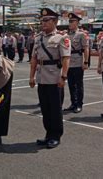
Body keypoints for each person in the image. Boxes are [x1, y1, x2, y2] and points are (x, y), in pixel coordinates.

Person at [29, 8, 71, 149]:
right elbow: (34, 59)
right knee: (45, 109)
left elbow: (65, 59)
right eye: (42, 21)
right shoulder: (38, 38)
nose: (43, 23)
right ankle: (48, 134)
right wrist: (32, 76)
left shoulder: (62, 38)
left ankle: (55, 136)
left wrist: (63, 77)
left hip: (54, 78)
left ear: (55, 21)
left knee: (55, 109)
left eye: (47, 20)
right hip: (42, 77)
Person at [63, 13, 89, 113]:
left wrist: (86, 62)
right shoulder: (66, 35)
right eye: (69, 21)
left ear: (77, 23)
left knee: (79, 85)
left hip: (78, 62)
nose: (70, 23)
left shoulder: (81, 34)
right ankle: (73, 103)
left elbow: (86, 48)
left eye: (72, 21)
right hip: (69, 63)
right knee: (71, 85)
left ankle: (79, 104)